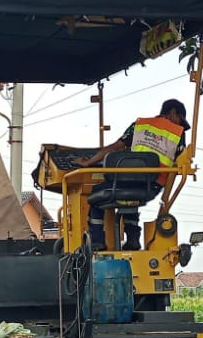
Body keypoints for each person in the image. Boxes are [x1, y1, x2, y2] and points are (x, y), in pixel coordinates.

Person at [77, 98, 191, 250]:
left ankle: (97, 242)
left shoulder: (139, 126)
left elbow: (113, 147)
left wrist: (89, 162)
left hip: (126, 181)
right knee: (132, 197)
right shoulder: (179, 134)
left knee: (97, 198)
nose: (180, 125)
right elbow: (180, 159)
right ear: (172, 112)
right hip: (153, 185)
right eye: (180, 120)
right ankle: (133, 241)